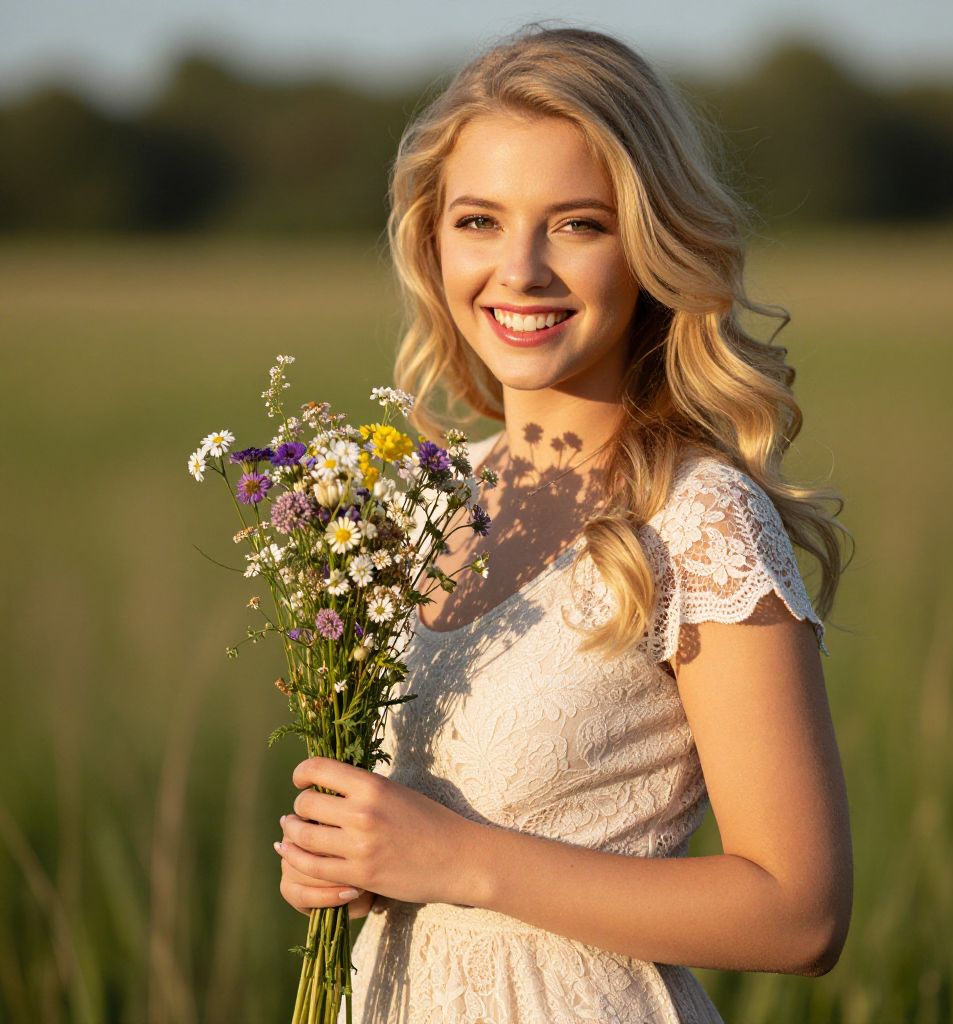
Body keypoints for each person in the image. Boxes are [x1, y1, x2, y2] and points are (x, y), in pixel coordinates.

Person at [274, 24, 854, 1023]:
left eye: (577, 224)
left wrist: (454, 859)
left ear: (649, 242)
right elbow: (414, 831)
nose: (521, 269)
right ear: (431, 239)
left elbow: (799, 913)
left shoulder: (697, 515)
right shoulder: (427, 503)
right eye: (479, 221)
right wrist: (348, 857)